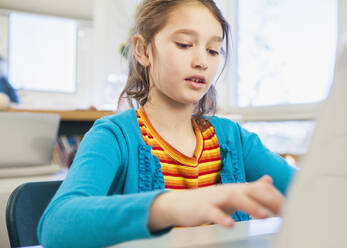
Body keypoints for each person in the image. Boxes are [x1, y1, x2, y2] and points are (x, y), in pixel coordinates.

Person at [38, 0, 295, 247]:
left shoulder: (233, 139)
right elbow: (54, 225)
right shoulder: (114, 136)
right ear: (143, 50)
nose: (202, 62)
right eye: (184, 44)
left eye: (213, 50)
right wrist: (171, 206)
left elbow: (312, 189)